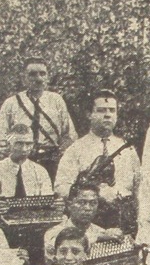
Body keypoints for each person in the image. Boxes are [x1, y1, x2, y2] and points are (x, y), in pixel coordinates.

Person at [53, 89, 141, 231]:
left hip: (123, 218)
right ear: (89, 114)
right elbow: (61, 186)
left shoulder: (128, 149)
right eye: (101, 110)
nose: (107, 115)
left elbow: (139, 188)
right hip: (90, 219)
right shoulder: (76, 149)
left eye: (112, 110)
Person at [0, 57, 78, 178]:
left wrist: (60, 155)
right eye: (32, 74)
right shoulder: (12, 103)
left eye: (42, 74)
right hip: (20, 162)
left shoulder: (56, 101)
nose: (38, 79)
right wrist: (11, 152)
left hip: (51, 163)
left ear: (47, 77)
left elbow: (70, 135)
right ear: (24, 78)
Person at [42, 180, 127, 265]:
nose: (88, 208)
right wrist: (97, 237)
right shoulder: (53, 233)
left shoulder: (100, 231)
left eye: (93, 203)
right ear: (69, 205)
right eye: (82, 202)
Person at [0, 123, 54, 209]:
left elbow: (47, 202)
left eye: (28, 144)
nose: (24, 149)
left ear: (33, 144)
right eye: (19, 144)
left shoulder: (40, 171)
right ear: (8, 144)